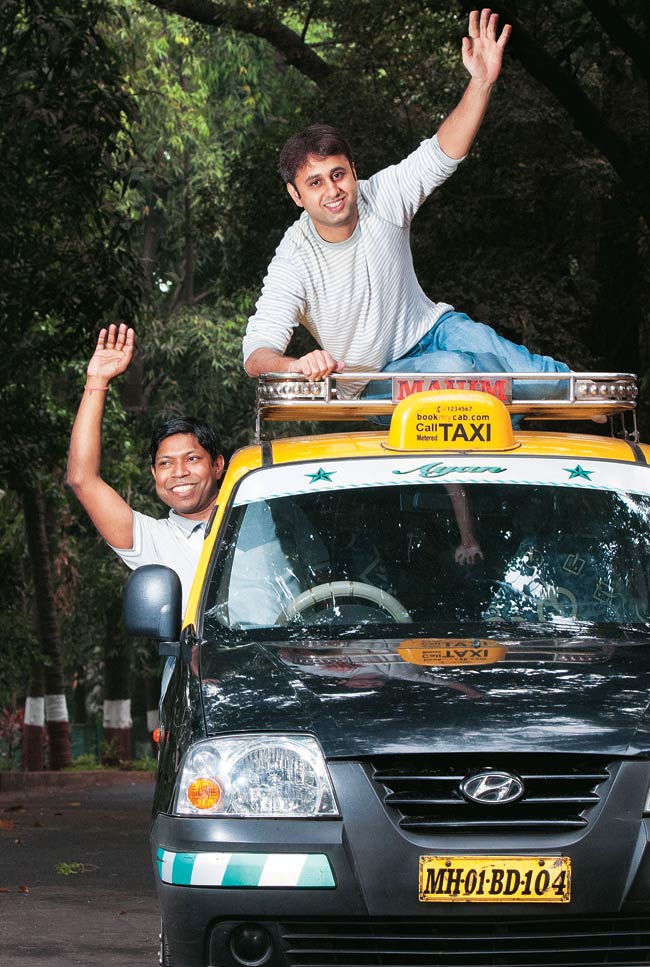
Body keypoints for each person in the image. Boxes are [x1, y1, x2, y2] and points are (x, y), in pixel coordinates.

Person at [242, 9, 570, 400]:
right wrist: (296, 365)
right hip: (371, 381)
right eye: (314, 183)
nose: (332, 190)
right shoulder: (295, 258)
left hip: (431, 330)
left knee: (525, 367)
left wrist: (481, 83)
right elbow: (256, 355)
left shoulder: (380, 196)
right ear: (296, 196)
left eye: (338, 174)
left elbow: (441, 153)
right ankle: (516, 417)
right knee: (455, 369)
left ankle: (586, 404)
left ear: (353, 171)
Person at [66, 324, 226, 692]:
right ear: (154, 474)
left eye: (192, 459)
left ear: (217, 465)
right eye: (166, 464)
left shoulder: (259, 520)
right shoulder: (152, 540)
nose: (179, 473)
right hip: (193, 682)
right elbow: (81, 479)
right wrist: (96, 382)